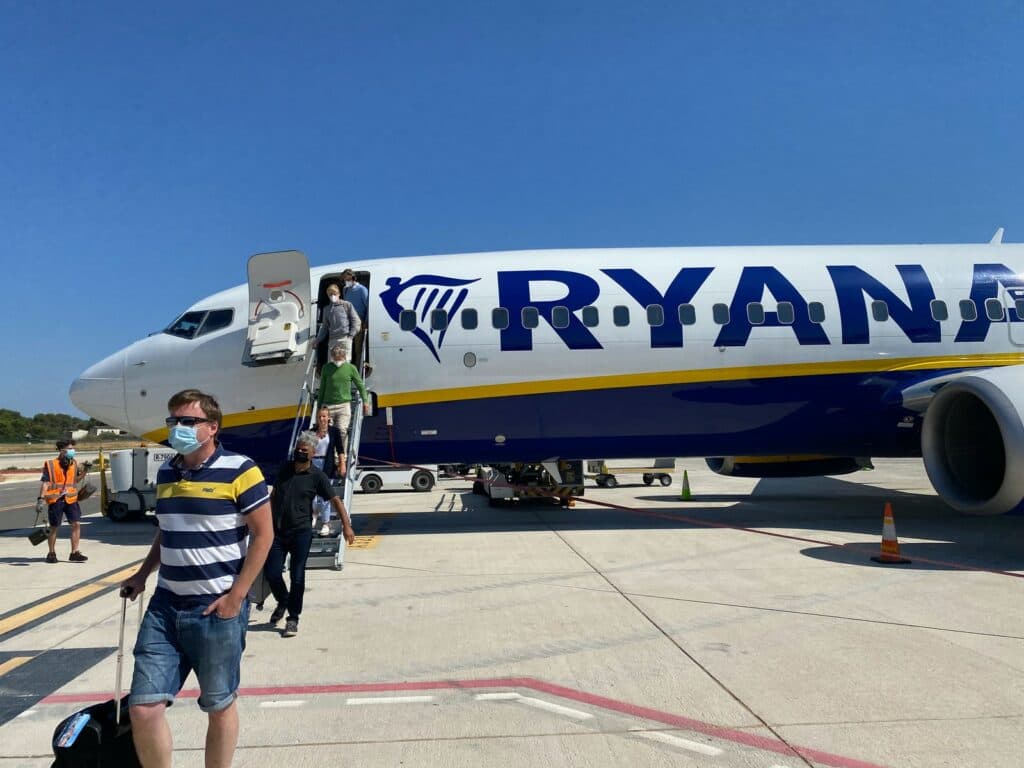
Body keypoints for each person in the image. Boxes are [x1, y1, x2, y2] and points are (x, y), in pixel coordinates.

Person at [120, 389, 274, 768]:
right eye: (174, 421)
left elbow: (264, 534)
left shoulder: (241, 469)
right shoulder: (167, 470)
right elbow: (167, 530)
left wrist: (237, 597)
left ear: (212, 427)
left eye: (188, 422)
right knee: (143, 708)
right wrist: (142, 575)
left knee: (218, 705)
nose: (178, 428)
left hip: (215, 608)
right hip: (164, 606)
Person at [265, 431, 355, 637]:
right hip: (277, 532)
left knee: (297, 576)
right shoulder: (285, 469)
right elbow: (274, 495)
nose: (299, 453)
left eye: (304, 450)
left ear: (313, 453)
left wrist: (347, 526)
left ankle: (293, 618)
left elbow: (336, 501)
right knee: (272, 572)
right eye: (298, 449)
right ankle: (283, 600)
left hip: (301, 533)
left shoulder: (317, 477)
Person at [317, 345, 371, 470]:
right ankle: (328, 456)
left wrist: (365, 401)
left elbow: (360, 385)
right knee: (325, 432)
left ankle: (340, 458)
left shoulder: (350, 368)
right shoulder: (327, 368)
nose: (336, 358)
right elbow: (322, 389)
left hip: (343, 405)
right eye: (334, 356)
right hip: (328, 405)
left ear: (343, 356)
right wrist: (320, 406)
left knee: (342, 430)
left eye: (338, 356)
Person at [37, 439, 87, 563]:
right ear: (61, 450)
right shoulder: (50, 464)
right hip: (56, 499)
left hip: (71, 499)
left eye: (72, 448)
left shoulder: (73, 463)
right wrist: (40, 499)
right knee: (54, 527)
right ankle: (51, 553)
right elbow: (46, 483)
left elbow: (74, 481)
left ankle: (75, 552)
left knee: (76, 524)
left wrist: (85, 471)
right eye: (69, 449)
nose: (72, 451)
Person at [310, 405, 345, 536]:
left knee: (325, 494)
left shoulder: (334, 432)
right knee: (312, 493)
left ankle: (326, 522)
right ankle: (313, 514)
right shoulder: (311, 432)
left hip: (327, 463)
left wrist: (342, 464)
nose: (322, 419)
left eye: (324, 416)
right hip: (313, 463)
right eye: (319, 416)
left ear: (328, 417)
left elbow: (340, 449)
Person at [316, 282, 360, 363]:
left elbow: (356, 321)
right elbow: (324, 327)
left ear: (339, 293)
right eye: (330, 294)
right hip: (332, 340)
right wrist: (317, 340)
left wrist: (350, 336)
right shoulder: (326, 309)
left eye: (334, 293)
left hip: (345, 339)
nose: (333, 296)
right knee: (332, 364)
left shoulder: (346, 305)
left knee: (345, 364)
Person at [342, 268, 369, 369]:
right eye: (344, 280)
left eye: (347, 279)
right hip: (347, 321)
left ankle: (357, 369)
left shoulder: (362, 290)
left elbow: (368, 306)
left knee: (358, 348)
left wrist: (366, 322)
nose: (346, 282)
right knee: (346, 346)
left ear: (353, 278)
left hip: (358, 321)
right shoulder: (345, 289)